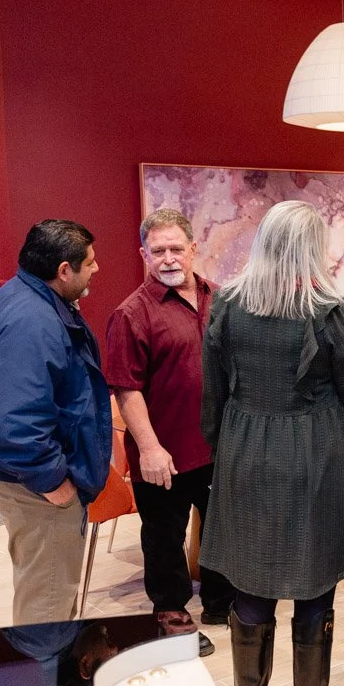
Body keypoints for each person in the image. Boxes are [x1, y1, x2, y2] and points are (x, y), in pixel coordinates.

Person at [200, 201, 344, 686]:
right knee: (313, 577)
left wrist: (222, 448)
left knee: (250, 581)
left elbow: (213, 390)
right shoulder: (326, 310)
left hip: (246, 449)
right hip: (313, 452)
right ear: (309, 249)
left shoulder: (227, 303)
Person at [0, 220, 110, 626]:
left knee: (47, 590)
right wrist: (52, 482)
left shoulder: (27, 299)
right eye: (90, 263)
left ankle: (47, 680)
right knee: (46, 603)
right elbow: (15, 423)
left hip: (24, 479)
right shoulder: (33, 321)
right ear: (64, 270)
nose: (97, 269)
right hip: (36, 487)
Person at [104, 209, 232, 657]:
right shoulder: (131, 314)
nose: (168, 258)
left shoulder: (220, 298)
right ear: (144, 254)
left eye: (177, 248)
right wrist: (151, 447)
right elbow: (125, 387)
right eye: (158, 251)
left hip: (218, 444)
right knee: (164, 536)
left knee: (221, 527)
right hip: (164, 452)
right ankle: (172, 613)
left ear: (194, 249)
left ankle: (220, 602)